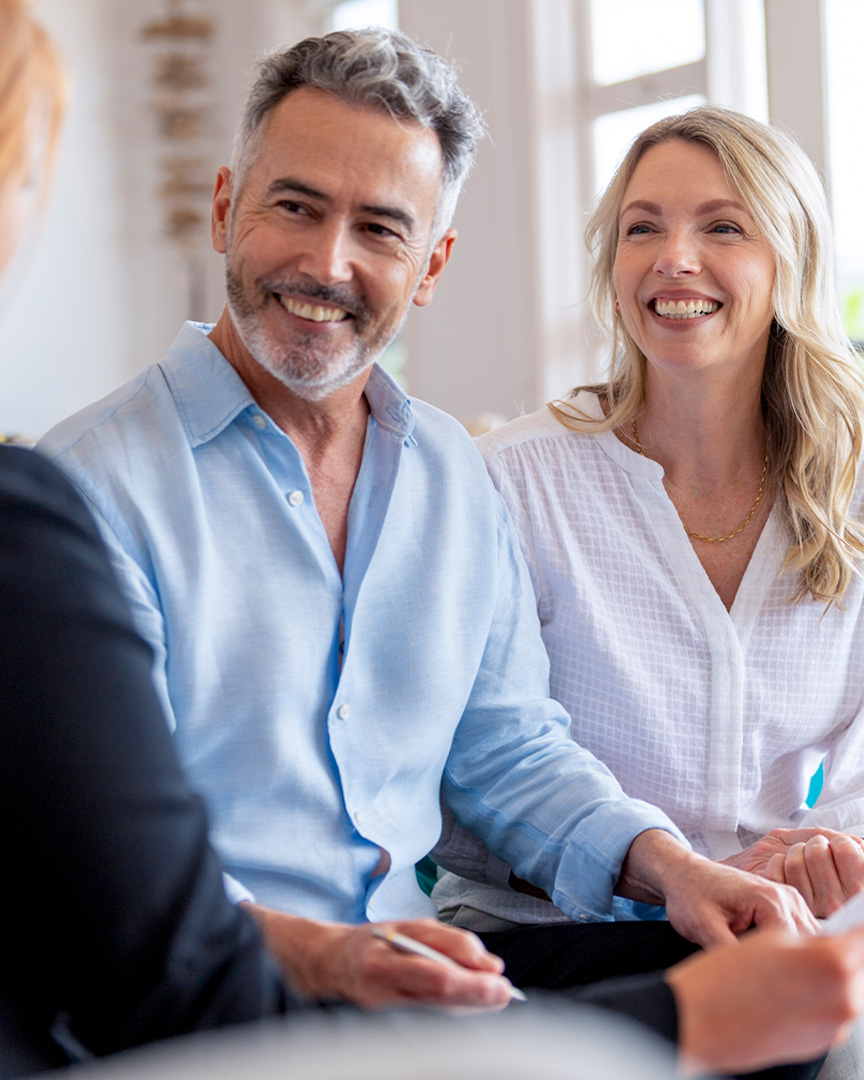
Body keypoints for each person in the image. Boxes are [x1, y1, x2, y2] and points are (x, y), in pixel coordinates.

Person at [5, 18, 862, 1079]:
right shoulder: (85, 490)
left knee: (773, 1014)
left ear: (433, 263)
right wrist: (336, 958)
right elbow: (111, 882)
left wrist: (673, 869)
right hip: (228, 989)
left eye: (380, 228)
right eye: (296, 206)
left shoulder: (452, 474)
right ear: (226, 207)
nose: (329, 263)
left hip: (427, 970)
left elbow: (509, 750)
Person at [429, 105, 864, 1076]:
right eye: (643, 227)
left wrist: (829, 849)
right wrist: (674, 870)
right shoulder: (514, 479)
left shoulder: (852, 487)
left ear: (790, 257)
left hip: (780, 934)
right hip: (542, 939)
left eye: (722, 225)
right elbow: (472, 761)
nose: (675, 256)